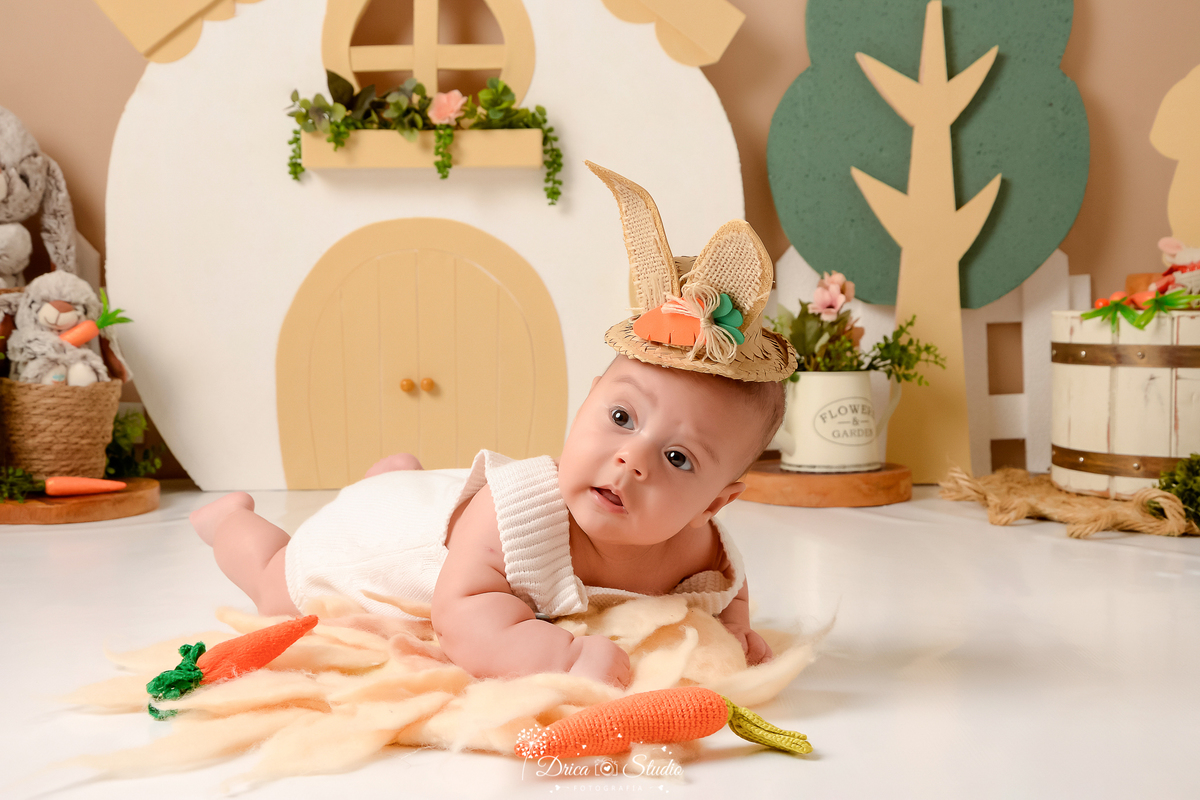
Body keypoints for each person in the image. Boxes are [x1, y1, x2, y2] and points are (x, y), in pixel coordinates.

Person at [191, 162, 798, 687]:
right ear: (588, 401)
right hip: (378, 540)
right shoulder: (518, 518)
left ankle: (395, 473)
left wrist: (735, 634)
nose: (632, 458)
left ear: (714, 504)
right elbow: (463, 616)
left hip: (439, 508)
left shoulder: (706, 555)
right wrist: (557, 658)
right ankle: (230, 523)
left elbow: (727, 592)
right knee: (277, 584)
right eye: (620, 417)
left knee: (414, 490)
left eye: (678, 459)